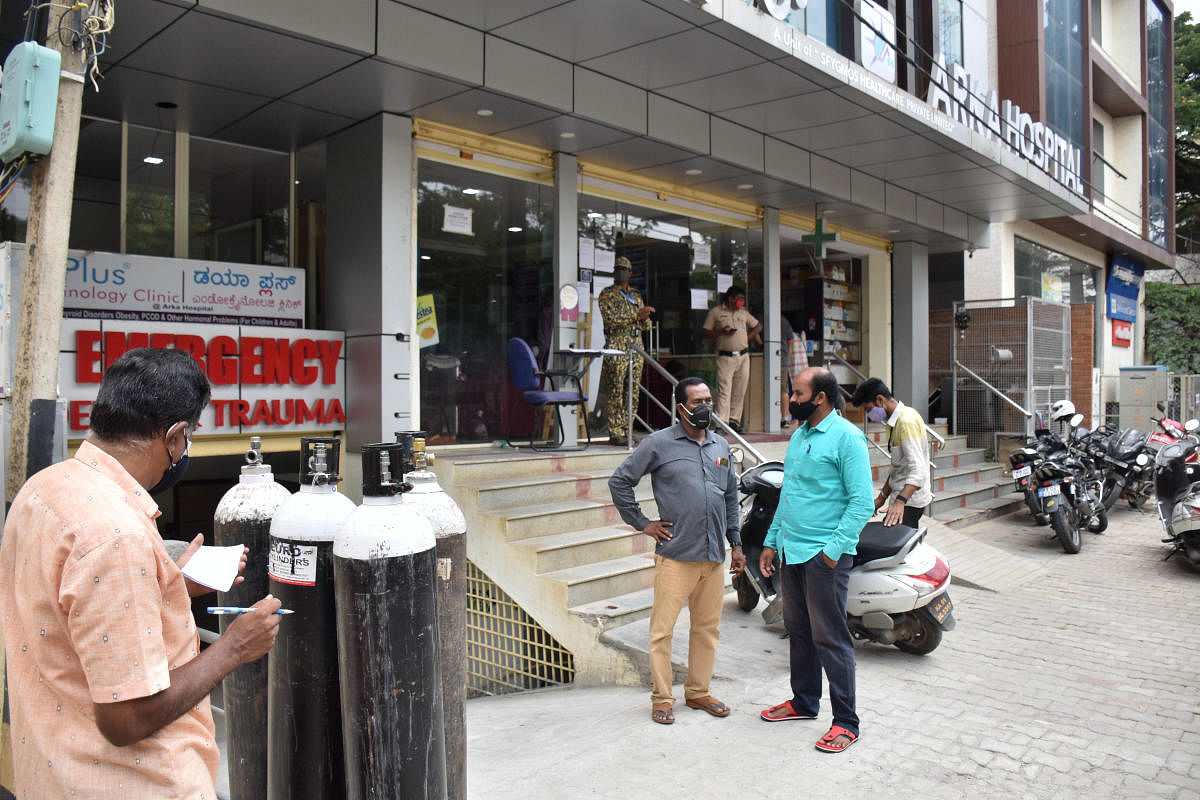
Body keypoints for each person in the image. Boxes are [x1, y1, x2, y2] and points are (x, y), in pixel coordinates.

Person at [0, 348, 282, 797]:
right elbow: (126, 718)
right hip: (137, 783)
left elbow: (66, 611)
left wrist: (167, 585)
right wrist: (233, 647)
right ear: (175, 436)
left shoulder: (42, 491)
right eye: (189, 437)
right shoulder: (116, 537)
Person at [608, 377, 745, 725]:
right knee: (662, 632)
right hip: (675, 556)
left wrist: (736, 543)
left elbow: (730, 496)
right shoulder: (658, 444)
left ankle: (698, 693)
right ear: (680, 408)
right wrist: (643, 523)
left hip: (713, 558)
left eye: (709, 400)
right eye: (697, 402)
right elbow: (620, 481)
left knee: (706, 629)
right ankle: (662, 698)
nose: (705, 408)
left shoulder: (721, 446)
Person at [758, 367, 874, 754]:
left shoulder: (847, 438)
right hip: (792, 551)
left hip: (824, 557)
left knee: (831, 637)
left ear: (819, 397)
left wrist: (832, 552)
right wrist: (772, 542)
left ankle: (846, 722)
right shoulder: (799, 436)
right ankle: (804, 701)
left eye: (797, 393)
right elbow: (787, 496)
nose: (791, 399)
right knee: (799, 631)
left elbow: (862, 503)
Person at [851, 377, 933, 527]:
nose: (869, 415)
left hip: (909, 502)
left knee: (891, 545)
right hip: (902, 498)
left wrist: (900, 502)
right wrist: (881, 498)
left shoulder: (906, 421)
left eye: (868, 409)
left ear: (880, 400)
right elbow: (898, 467)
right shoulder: (895, 422)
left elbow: (918, 470)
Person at [597, 256, 654, 446]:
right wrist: (635, 316)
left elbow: (646, 326)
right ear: (614, 272)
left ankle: (627, 429)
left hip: (636, 345)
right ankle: (615, 432)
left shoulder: (636, 295)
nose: (621, 272)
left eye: (624, 269)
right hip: (617, 344)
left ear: (630, 273)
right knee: (616, 389)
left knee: (633, 390)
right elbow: (609, 320)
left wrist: (644, 317)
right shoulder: (607, 294)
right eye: (618, 269)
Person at [702, 286, 762, 433]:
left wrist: (747, 338)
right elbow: (706, 332)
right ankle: (721, 423)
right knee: (725, 390)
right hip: (725, 356)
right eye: (739, 299)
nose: (741, 302)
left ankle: (734, 421)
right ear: (731, 299)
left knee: (739, 390)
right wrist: (721, 331)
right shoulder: (716, 312)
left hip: (743, 356)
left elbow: (758, 326)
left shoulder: (743, 313)